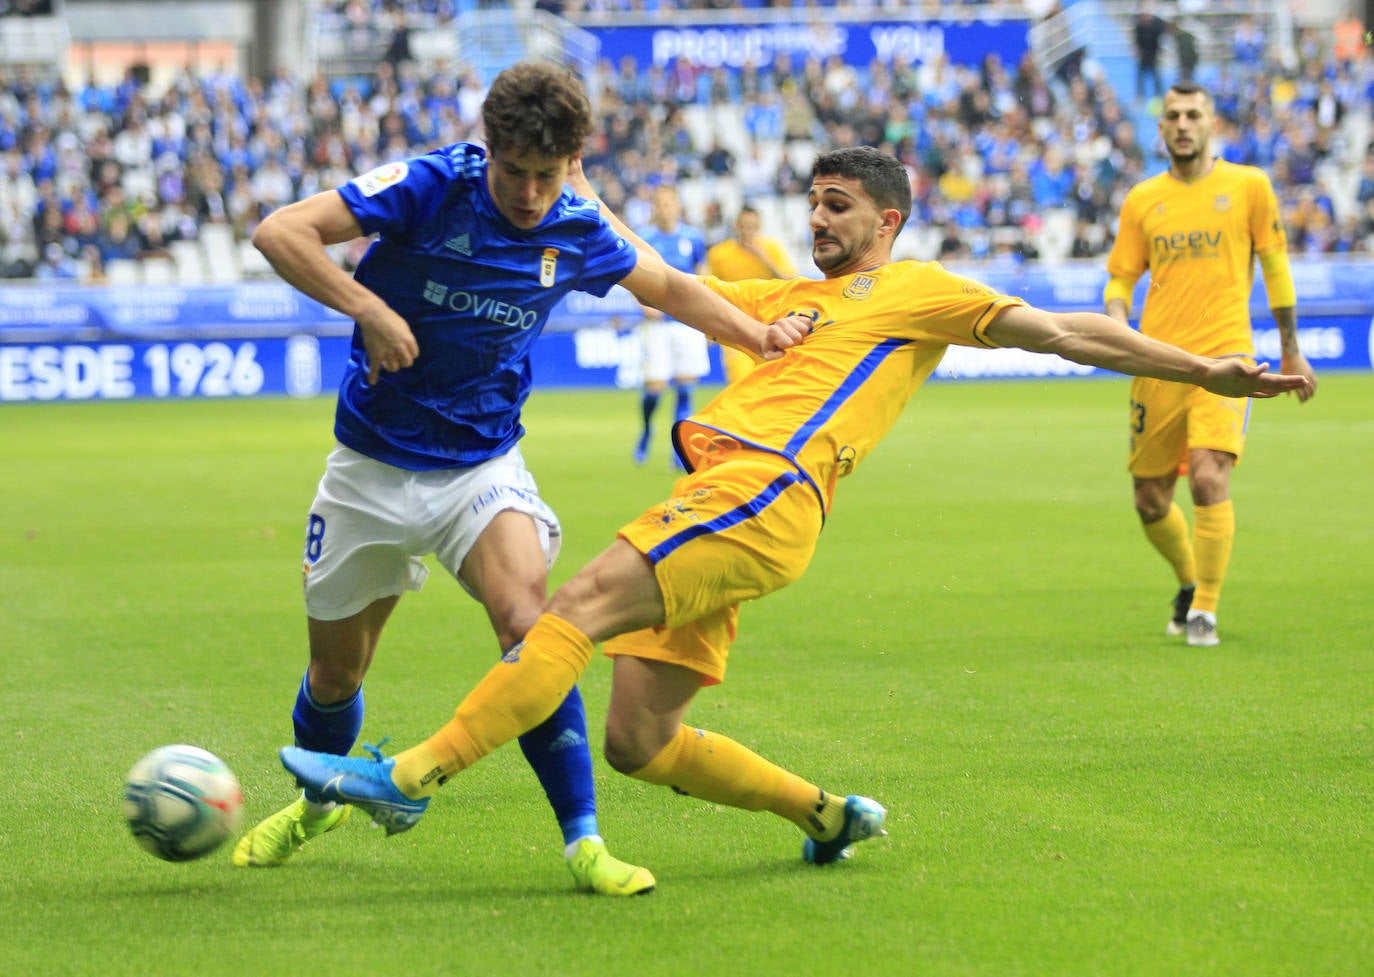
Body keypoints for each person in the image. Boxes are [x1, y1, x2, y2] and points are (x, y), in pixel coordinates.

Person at [278, 146, 1311, 879]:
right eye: (813, 202)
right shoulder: (778, 297)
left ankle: (410, 773)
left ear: (887, 221)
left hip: (763, 487)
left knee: (567, 611)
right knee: (639, 738)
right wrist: (579, 182)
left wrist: (1201, 363)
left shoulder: (917, 292)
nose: (818, 220)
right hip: (734, 500)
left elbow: (1068, 333)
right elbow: (660, 274)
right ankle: (825, 814)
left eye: (837, 207)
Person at [233, 61, 801, 896]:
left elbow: (671, 287)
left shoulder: (574, 224)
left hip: (481, 469)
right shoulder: (430, 184)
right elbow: (281, 231)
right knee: (335, 678)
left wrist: (759, 337)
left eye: (548, 175)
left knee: (531, 628)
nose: (532, 194)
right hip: (370, 464)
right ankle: (320, 802)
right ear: (487, 147)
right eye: (515, 173)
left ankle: (584, 843)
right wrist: (370, 308)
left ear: (573, 162)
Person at [1103, 82, 1317, 648]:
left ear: (1210, 122)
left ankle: (1205, 609)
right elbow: (1121, 278)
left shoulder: (1249, 186)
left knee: (1206, 476)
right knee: (1150, 499)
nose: (1181, 123)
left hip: (1228, 357)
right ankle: (1189, 579)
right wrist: (1119, 322)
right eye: (1172, 115)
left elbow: (1274, 266)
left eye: (1192, 114)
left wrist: (1290, 345)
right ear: (1161, 127)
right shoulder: (1143, 199)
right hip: (1160, 360)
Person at [630, 184, 709, 468]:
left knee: (686, 386)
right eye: (660, 203)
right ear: (654, 208)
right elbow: (632, 274)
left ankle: (678, 451)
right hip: (658, 325)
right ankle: (647, 430)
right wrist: (643, 304)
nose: (665, 208)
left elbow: (703, 275)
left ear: (678, 206)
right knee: (655, 388)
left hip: (687, 321)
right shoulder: (645, 238)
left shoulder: (693, 237)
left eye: (669, 203)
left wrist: (707, 317)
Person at [704, 203, 798, 384]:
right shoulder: (720, 254)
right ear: (736, 226)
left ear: (759, 227)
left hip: (770, 324)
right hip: (735, 326)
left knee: (769, 383)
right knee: (741, 381)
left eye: (752, 227)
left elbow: (790, 280)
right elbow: (709, 290)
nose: (748, 231)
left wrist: (764, 258)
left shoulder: (771, 249)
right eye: (744, 226)